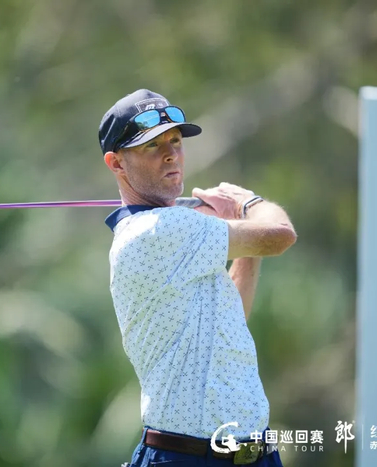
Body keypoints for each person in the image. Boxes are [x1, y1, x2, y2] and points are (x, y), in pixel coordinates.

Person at [99, 89, 296, 467]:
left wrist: (241, 238)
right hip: (188, 457)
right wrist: (247, 203)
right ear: (117, 163)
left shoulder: (176, 234)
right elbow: (280, 235)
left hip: (253, 454)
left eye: (175, 141)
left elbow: (231, 318)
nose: (170, 154)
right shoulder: (157, 230)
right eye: (151, 145)